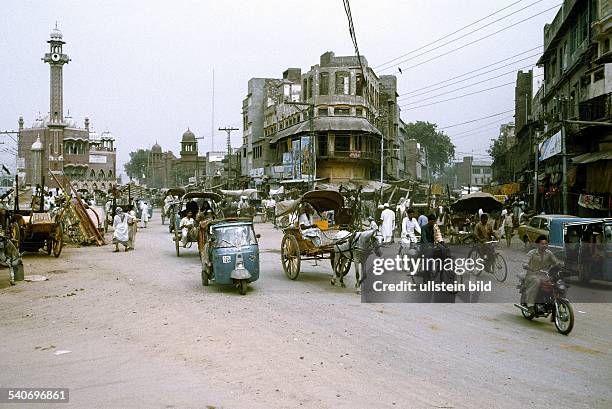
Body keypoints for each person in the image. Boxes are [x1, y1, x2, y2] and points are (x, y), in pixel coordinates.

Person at [523, 235, 562, 308]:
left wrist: (561, 266)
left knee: (557, 283)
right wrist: (529, 267)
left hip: (544, 275)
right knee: (537, 281)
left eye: (546, 244)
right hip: (532, 275)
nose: (544, 245)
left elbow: (555, 262)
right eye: (542, 244)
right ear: (538, 244)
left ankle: (554, 300)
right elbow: (525, 263)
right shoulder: (532, 253)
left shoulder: (549, 253)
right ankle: (530, 303)